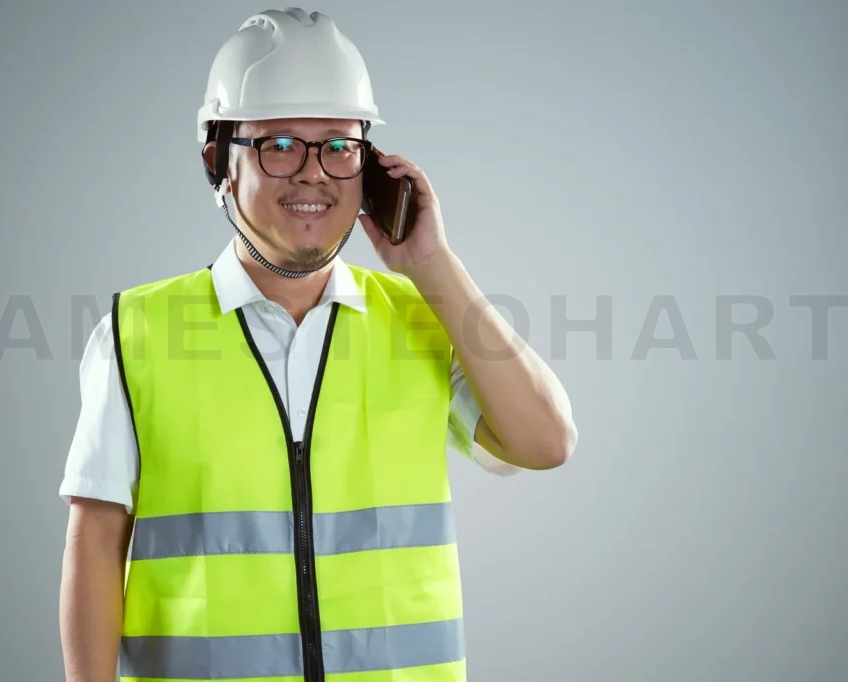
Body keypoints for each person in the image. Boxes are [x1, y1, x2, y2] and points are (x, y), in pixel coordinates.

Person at [58, 7, 577, 682]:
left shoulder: (423, 319)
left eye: (338, 145)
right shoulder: (136, 332)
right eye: (278, 144)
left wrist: (433, 265)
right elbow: (97, 542)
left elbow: (547, 443)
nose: (314, 174)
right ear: (219, 161)